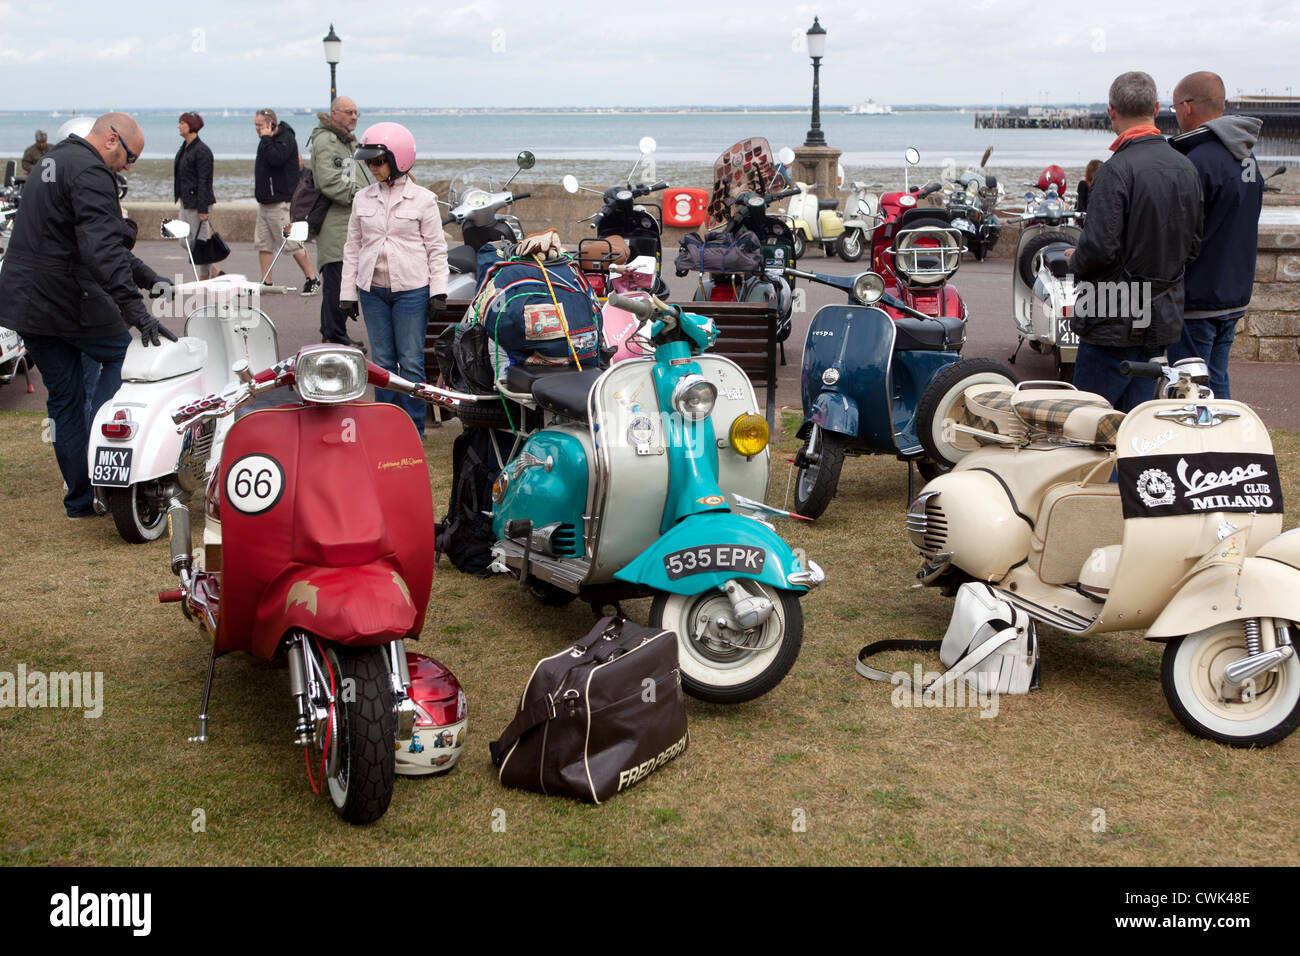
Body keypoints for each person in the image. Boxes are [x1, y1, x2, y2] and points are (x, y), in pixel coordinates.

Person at [0, 112, 176, 519]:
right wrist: (138, 315)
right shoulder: (93, 173)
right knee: (123, 357)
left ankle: (80, 501)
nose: (128, 167)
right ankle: (105, 444)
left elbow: (81, 240)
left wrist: (148, 277)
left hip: (29, 305)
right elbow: (102, 251)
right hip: (67, 300)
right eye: (130, 157)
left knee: (63, 402)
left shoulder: (53, 161)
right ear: (112, 140)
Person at [1067, 71, 1203, 413]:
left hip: (1111, 315)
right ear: (1156, 108)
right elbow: (1193, 247)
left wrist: (1074, 258)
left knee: (1089, 422)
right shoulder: (1186, 168)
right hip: (1160, 314)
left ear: (1112, 111)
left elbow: (1098, 248)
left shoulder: (1115, 171)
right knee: (1136, 424)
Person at [339, 122, 447, 437]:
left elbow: (436, 250)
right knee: (383, 362)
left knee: (411, 362)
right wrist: (348, 293)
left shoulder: (424, 200)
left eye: (378, 161)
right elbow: (353, 248)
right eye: (369, 162)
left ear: (398, 160)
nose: (372, 167)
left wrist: (437, 291)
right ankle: (384, 429)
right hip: (372, 291)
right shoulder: (362, 199)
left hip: (412, 291)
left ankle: (413, 429)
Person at [1165, 72, 1264, 400]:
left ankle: (1195, 448)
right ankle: (1224, 444)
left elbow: (1179, 233)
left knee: (1188, 384)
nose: (1176, 114)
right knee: (1217, 378)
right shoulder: (1247, 158)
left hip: (1199, 296)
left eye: (1175, 106)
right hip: (1234, 291)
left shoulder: (1197, 161)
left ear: (1188, 107)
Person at [309, 96, 373, 348]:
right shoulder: (328, 140)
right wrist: (361, 197)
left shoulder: (346, 140)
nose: (354, 116)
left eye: (357, 112)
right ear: (334, 114)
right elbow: (328, 180)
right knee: (337, 281)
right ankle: (335, 337)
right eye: (349, 112)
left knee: (340, 280)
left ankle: (332, 332)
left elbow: (353, 173)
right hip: (337, 224)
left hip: (346, 222)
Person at [253, 108, 319, 293]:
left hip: (281, 202)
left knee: (291, 243)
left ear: (270, 123)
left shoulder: (285, 138)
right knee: (263, 244)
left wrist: (266, 138)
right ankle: (267, 282)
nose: (257, 129)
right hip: (265, 202)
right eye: (256, 125)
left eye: (259, 125)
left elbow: (276, 159)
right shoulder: (266, 142)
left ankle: (312, 278)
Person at [173, 111, 220, 280]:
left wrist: (202, 208)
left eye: (182, 123)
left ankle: (205, 277)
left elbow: (205, 180)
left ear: (191, 126)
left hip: (198, 203)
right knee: (183, 240)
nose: (179, 126)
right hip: (186, 201)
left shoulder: (202, 151)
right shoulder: (185, 148)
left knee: (201, 242)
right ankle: (213, 270)